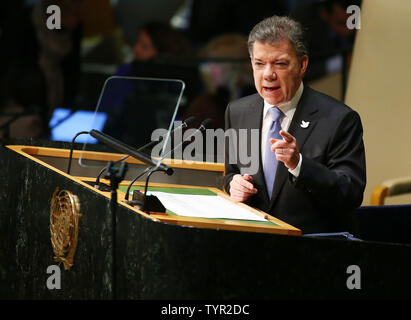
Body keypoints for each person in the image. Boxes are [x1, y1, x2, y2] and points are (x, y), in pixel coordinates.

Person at [223, 15, 366, 234]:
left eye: (279, 64)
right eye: (259, 64)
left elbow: (350, 192)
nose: (268, 74)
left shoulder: (339, 119)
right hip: (252, 246)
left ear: (302, 65)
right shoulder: (238, 112)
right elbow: (230, 173)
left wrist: (299, 165)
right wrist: (233, 184)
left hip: (312, 251)